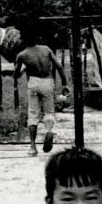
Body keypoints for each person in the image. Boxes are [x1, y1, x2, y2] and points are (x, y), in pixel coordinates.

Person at [13, 24, 68, 156]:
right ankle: (49, 131)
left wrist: (24, 68)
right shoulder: (46, 49)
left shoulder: (22, 55)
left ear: (24, 40)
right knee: (49, 111)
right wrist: (65, 83)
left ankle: (32, 147)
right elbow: (59, 66)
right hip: (48, 82)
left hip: (34, 82)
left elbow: (16, 75)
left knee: (33, 114)